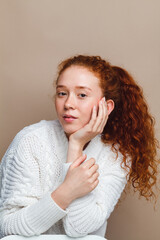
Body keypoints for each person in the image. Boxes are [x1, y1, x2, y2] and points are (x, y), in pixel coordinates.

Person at [0, 55, 159, 239]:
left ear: (106, 106)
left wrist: (76, 146)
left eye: (82, 95)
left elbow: (80, 229)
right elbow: (7, 228)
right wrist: (66, 192)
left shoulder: (117, 154)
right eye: (62, 93)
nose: (68, 104)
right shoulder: (30, 140)